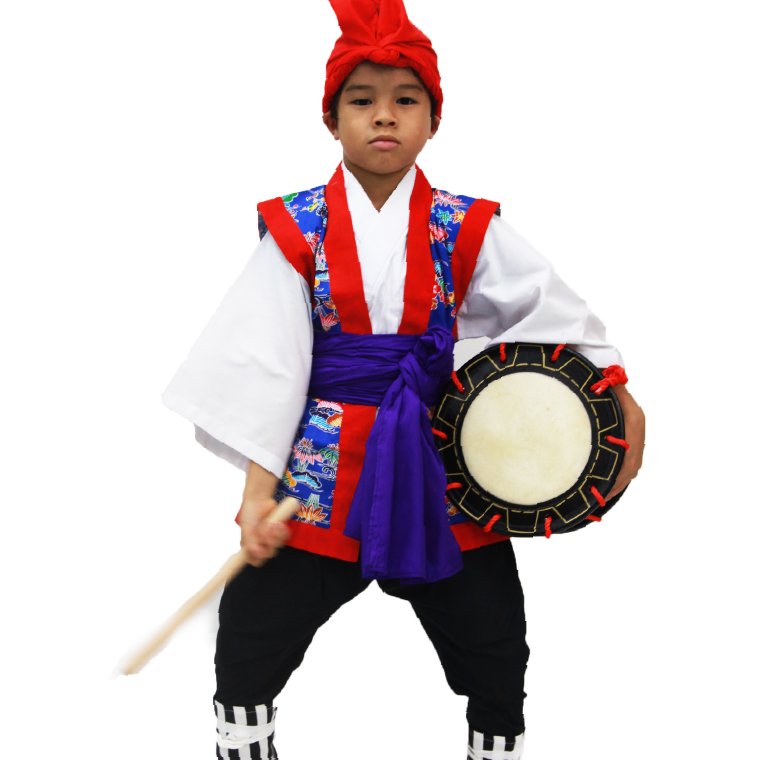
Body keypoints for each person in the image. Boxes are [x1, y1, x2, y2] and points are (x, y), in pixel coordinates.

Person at [162, 1, 645, 757]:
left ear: (432, 120)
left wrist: (612, 393)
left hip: (438, 457)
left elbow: (551, 315)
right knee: (253, 630)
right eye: (362, 101)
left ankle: (494, 744)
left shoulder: (465, 224)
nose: (384, 116)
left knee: (494, 638)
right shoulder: (298, 228)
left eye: (406, 101)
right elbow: (268, 363)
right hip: (325, 466)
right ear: (332, 119)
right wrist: (257, 497)